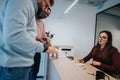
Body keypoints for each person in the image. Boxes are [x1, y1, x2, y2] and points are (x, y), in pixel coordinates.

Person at [0, 0, 58, 80]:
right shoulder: (23, 2)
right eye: (46, 5)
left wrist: (38, 40)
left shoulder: (29, 5)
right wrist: (46, 48)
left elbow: (25, 33)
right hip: (14, 67)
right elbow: (14, 36)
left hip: (17, 66)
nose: (45, 9)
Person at [30, 2, 52, 80]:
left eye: (47, 16)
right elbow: (31, 36)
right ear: (42, 10)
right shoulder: (31, 18)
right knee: (28, 72)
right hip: (29, 50)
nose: (45, 17)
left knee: (35, 72)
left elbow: (43, 37)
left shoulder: (42, 23)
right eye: (45, 14)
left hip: (37, 51)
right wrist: (41, 41)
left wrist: (46, 39)